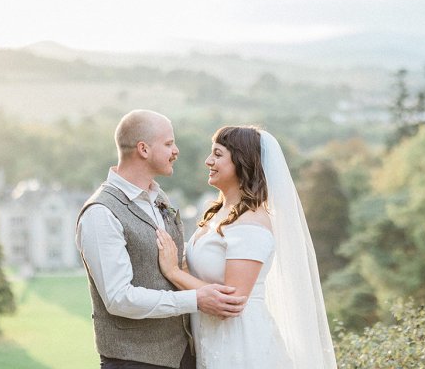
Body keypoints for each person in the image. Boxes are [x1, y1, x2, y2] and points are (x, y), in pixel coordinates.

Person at [76, 110, 248, 369]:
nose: (176, 150)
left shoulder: (159, 199)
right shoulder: (101, 213)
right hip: (133, 361)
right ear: (143, 149)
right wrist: (196, 299)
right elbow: (118, 298)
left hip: (183, 355)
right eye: (168, 143)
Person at [156, 126, 337, 369]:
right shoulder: (218, 214)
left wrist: (173, 272)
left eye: (218, 155)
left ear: (243, 162)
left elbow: (231, 301)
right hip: (211, 340)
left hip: (242, 346)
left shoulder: (251, 223)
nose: (208, 161)